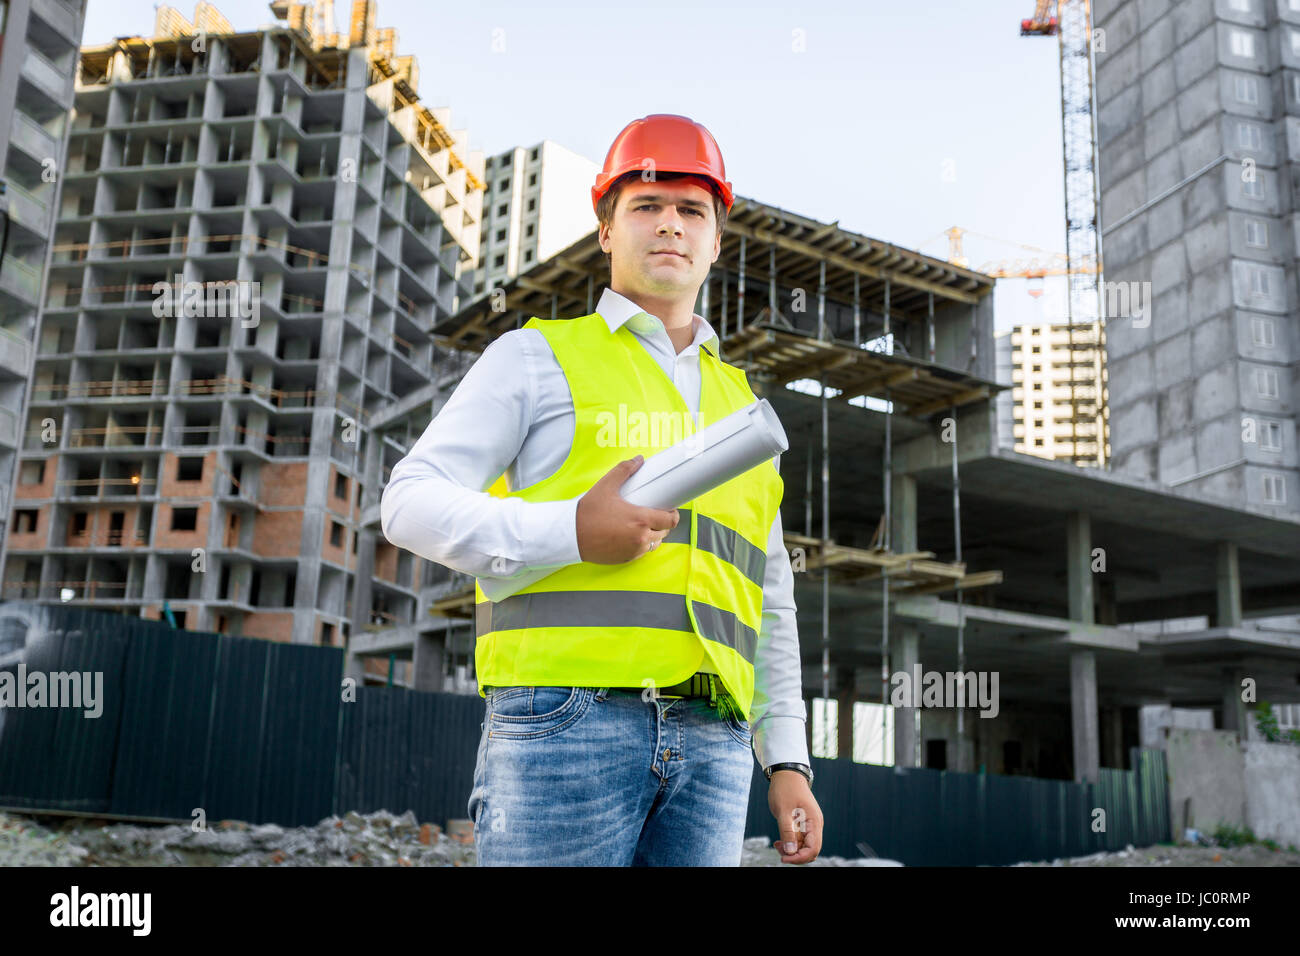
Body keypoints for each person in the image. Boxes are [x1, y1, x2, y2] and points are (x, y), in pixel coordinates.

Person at [381, 114, 823, 865]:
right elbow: (408, 502)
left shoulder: (745, 410)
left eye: (692, 210)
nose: (670, 225)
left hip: (716, 744)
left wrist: (786, 758)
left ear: (717, 240)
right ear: (606, 231)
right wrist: (572, 533)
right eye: (645, 206)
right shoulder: (534, 356)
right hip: (564, 723)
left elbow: (766, 599)